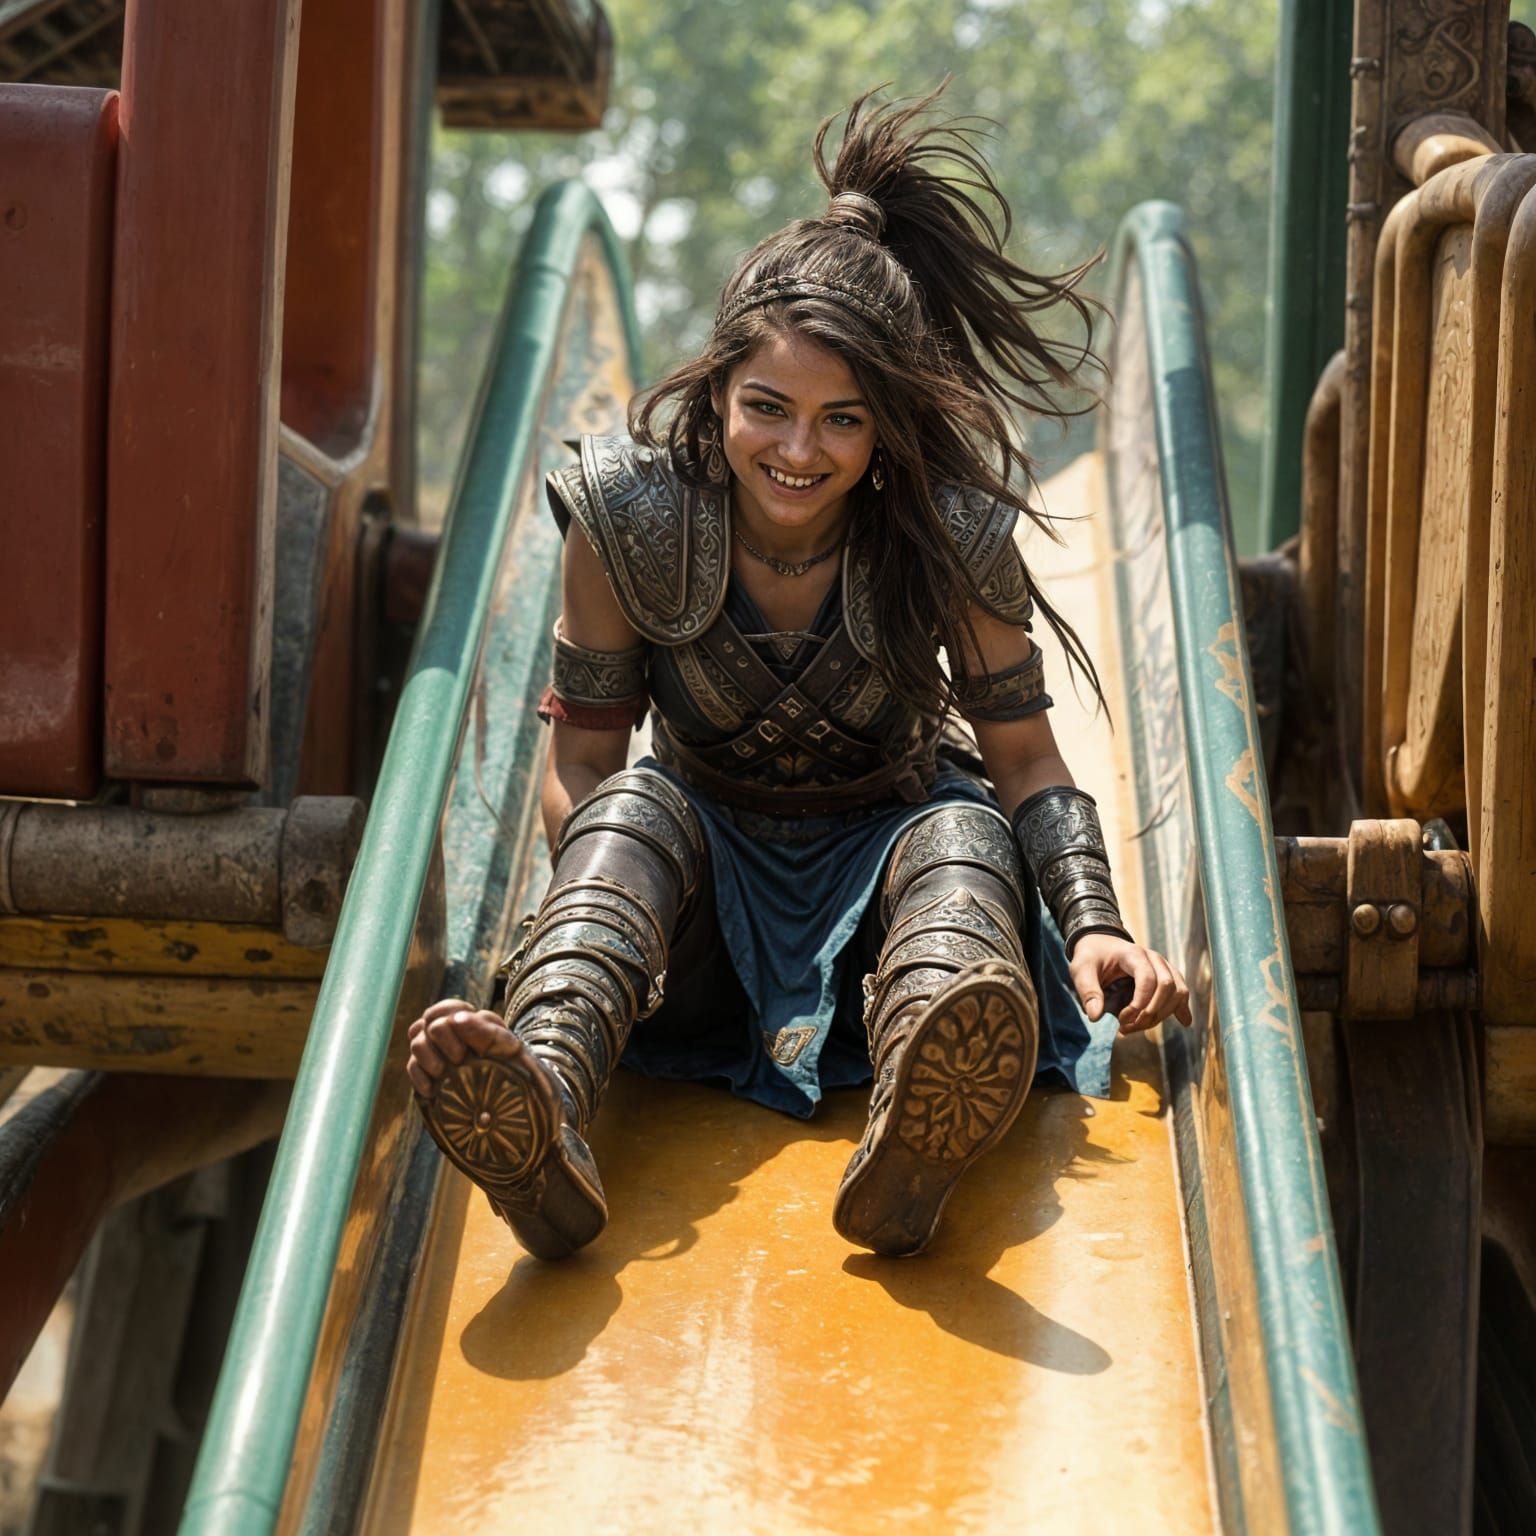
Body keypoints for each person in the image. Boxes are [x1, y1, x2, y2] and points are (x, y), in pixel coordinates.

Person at [406, 85, 1190, 1262]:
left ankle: (917, 1135)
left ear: (886, 428)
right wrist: (616, 915)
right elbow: (583, 763)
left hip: (884, 881)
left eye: (842, 421)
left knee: (965, 836)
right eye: (767, 409)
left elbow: (1026, 758)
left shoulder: (949, 534)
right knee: (629, 811)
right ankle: (546, 1105)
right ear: (718, 388)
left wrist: (1096, 925)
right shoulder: (628, 517)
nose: (798, 450)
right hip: (698, 912)